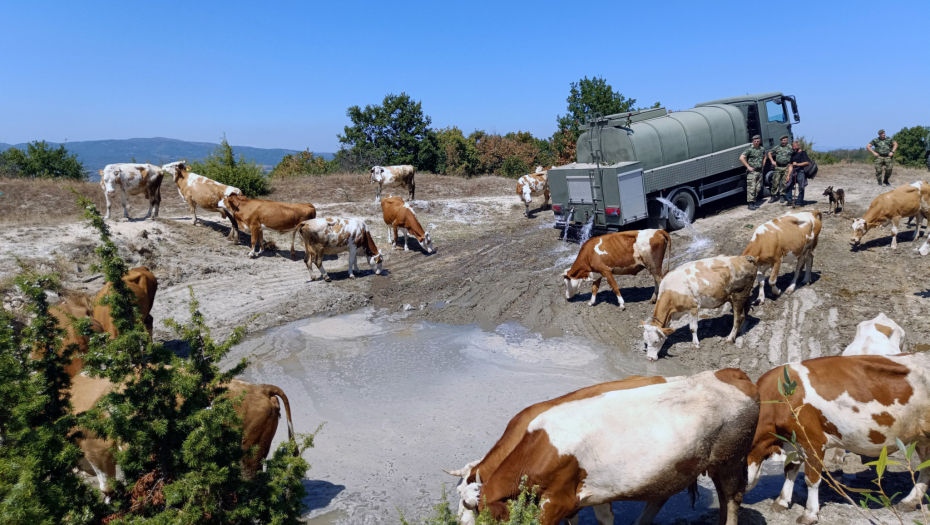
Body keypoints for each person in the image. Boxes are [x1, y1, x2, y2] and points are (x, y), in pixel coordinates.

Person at [740, 135, 765, 210]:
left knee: (758, 188)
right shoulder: (749, 150)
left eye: (757, 141)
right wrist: (748, 166)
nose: (756, 143)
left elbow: (765, 156)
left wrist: (763, 165)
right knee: (752, 188)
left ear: (760, 141)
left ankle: (754, 202)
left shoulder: (761, 149)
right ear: (752, 141)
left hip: (759, 171)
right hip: (752, 172)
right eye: (755, 141)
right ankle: (750, 204)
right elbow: (741, 158)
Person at [767, 135, 793, 203]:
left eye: (784, 140)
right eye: (782, 140)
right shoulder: (777, 147)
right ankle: (773, 196)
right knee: (775, 182)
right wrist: (772, 161)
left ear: (787, 141)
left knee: (784, 182)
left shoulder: (790, 147)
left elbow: (794, 154)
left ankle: (782, 196)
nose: (783, 142)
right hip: (778, 167)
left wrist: (792, 163)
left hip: (786, 167)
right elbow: (769, 153)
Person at [784, 141, 810, 207]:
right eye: (793, 147)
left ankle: (799, 202)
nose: (794, 148)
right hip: (793, 171)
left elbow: (807, 162)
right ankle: (789, 200)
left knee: (801, 187)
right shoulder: (793, 154)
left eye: (795, 146)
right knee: (788, 185)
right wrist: (788, 175)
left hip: (801, 171)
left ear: (798, 146)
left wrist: (797, 164)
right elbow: (790, 165)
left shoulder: (803, 153)